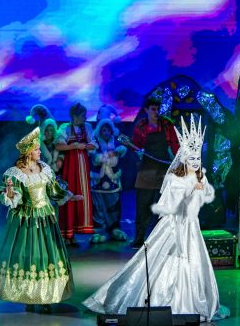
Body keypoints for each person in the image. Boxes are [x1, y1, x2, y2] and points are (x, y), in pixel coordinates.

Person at [83, 116, 228, 321]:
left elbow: (205, 197)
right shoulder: (176, 178)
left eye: (198, 159)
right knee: (166, 259)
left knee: (193, 262)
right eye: (192, 158)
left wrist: (201, 189)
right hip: (175, 224)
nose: (196, 162)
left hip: (191, 226)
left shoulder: (199, 176)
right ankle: (164, 299)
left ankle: (192, 300)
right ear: (184, 158)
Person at [0, 127, 82, 310]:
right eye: (37, 149)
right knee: (28, 256)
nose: (40, 152)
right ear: (29, 151)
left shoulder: (44, 168)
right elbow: (10, 197)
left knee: (46, 256)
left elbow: (53, 190)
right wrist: (10, 192)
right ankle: (28, 295)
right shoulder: (15, 173)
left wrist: (70, 196)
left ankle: (46, 297)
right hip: (26, 220)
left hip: (45, 218)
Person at [127, 97, 179, 248]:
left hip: (164, 169)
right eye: (153, 109)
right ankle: (139, 238)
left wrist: (179, 163)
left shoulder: (167, 124)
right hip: (146, 169)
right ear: (146, 110)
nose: (156, 112)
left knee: (163, 205)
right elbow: (135, 146)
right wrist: (137, 151)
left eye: (158, 109)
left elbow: (175, 144)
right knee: (143, 205)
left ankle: (162, 240)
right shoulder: (141, 126)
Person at [55, 103, 97, 245]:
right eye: (83, 115)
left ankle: (74, 233)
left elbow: (93, 145)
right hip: (70, 165)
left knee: (82, 195)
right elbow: (58, 145)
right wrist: (73, 146)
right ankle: (67, 234)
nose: (85, 118)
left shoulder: (87, 127)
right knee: (69, 194)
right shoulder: (65, 128)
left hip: (83, 166)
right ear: (74, 116)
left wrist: (83, 146)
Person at [89, 118, 128, 243]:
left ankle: (114, 229)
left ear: (112, 131)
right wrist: (105, 157)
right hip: (98, 181)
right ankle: (98, 231)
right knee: (98, 207)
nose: (106, 132)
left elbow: (122, 151)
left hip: (113, 181)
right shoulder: (95, 144)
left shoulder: (116, 145)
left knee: (114, 206)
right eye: (103, 130)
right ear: (99, 131)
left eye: (108, 130)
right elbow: (95, 159)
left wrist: (114, 153)